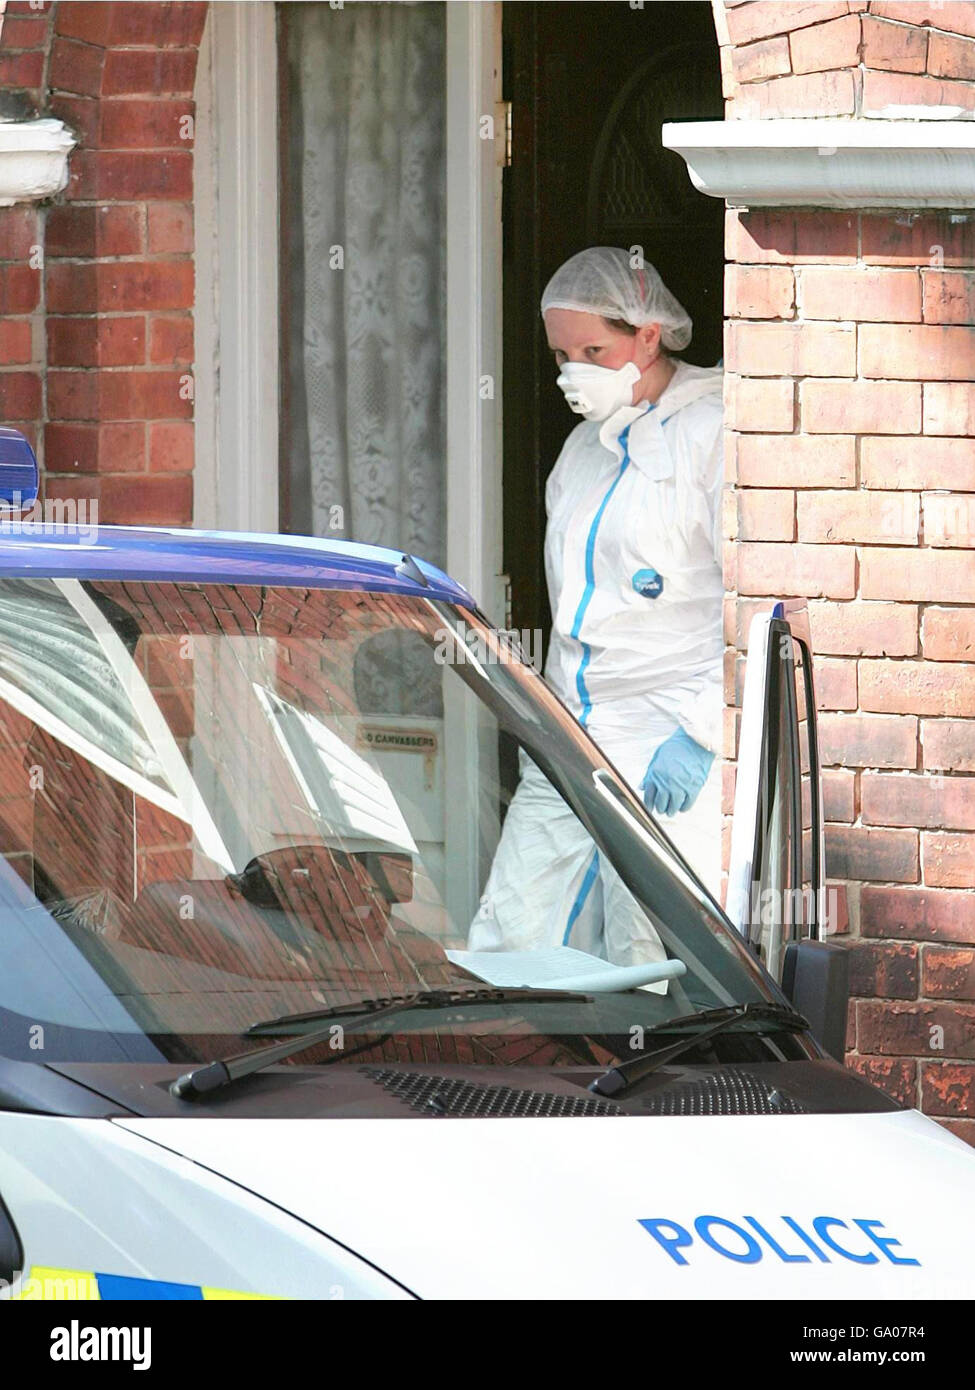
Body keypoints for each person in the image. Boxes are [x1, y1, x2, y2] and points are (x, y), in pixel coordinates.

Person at [468, 246, 724, 964]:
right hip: (575, 732)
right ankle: (507, 1075)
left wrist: (702, 733)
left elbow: (754, 604)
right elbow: (573, 606)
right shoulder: (582, 451)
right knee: (510, 934)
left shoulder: (713, 439)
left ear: (648, 335)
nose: (572, 370)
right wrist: (546, 722)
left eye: (593, 349)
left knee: (645, 949)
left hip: (665, 732)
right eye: (561, 354)